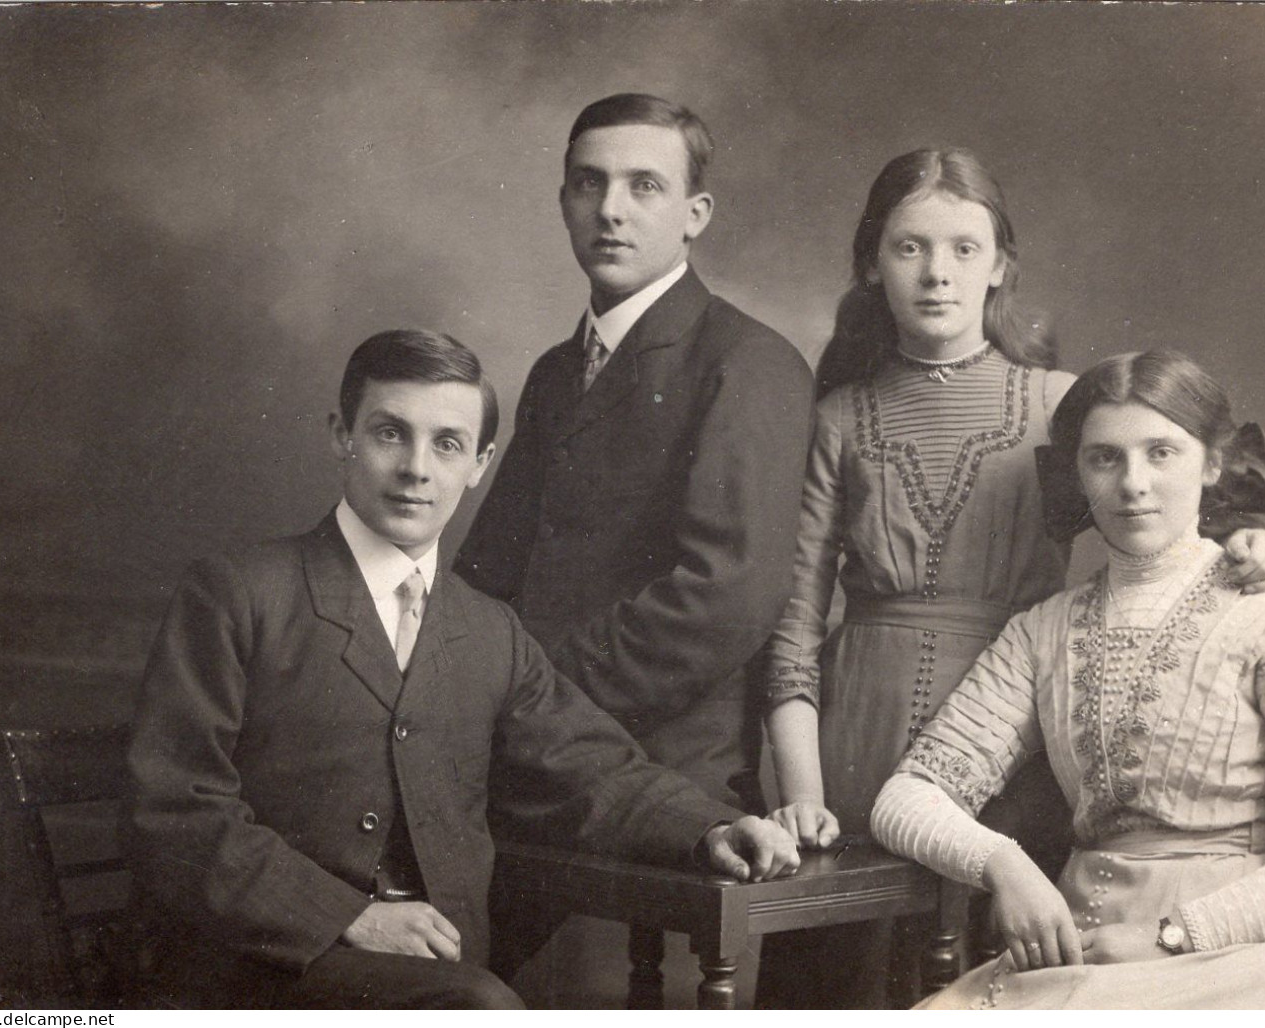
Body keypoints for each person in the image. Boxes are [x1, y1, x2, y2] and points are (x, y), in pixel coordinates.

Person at [754, 149, 1265, 1008]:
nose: (937, 274)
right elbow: (793, 628)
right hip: (853, 744)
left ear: (1000, 267)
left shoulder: (1058, 404)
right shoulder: (836, 417)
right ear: (871, 263)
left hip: (1018, 744)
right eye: (908, 249)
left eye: (964, 249)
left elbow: (1189, 509)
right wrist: (802, 801)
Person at [123, 329, 799, 1009]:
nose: (417, 468)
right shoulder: (240, 594)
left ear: (479, 463)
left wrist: (708, 828)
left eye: (447, 444)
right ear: (341, 436)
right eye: (390, 433)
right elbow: (174, 810)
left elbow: (593, 770)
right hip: (266, 967)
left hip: (439, 970)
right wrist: (346, 917)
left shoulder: (487, 629)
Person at [871, 349, 1265, 1009]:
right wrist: (1003, 865)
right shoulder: (1042, 632)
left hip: (1246, 948)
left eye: (1161, 453)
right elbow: (907, 798)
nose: (1132, 484)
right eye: (1104, 457)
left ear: (1213, 463)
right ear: (1076, 474)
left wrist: (1171, 934)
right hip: (1080, 940)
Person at [454, 94, 815, 811]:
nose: (610, 210)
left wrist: (533, 699)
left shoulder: (746, 360)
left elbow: (727, 595)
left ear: (695, 214)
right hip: (528, 750)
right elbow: (490, 566)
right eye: (589, 183)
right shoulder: (557, 371)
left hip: (659, 770)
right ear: (563, 202)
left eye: (643, 185)